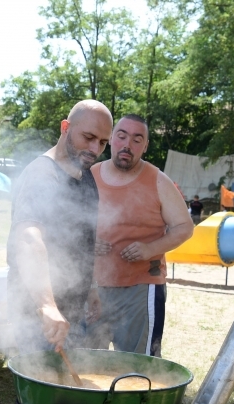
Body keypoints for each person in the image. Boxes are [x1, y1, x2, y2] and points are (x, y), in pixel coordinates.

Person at [6, 99, 113, 354]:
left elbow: (84, 240)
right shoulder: (42, 175)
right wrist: (48, 307)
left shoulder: (85, 174)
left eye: (102, 142)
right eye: (88, 137)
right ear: (66, 127)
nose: (94, 148)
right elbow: (29, 240)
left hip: (72, 313)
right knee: (40, 391)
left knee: (68, 390)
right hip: (38, 318)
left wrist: (92, 288)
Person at [87, 114, 193, 357]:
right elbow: (69, 224)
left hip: (141, 289)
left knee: (139, 363)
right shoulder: (89, 176)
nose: (127, 144)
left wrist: (150, 249)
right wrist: (85, 243)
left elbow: (185, 227)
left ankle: (138, 396)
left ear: (145, 146)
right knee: (88, 361)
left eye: (137, 139)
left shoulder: (159, 181)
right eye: (122, 136)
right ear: (111, 139)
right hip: (92, 288)